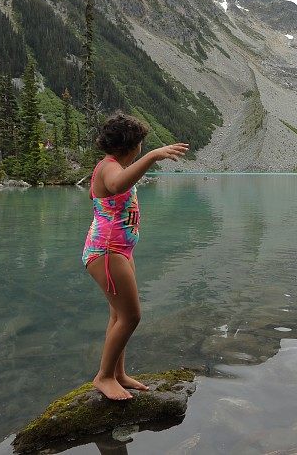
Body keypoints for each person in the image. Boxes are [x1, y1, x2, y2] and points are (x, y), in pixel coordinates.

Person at [82, 112, 188, 400]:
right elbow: (117, 185)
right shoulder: (108, 167)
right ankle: (103, 377)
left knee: (118, 314)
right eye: (141, 143)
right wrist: (153, 156)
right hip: (107, 251)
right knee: (132, 316)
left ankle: (118, 373)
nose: (142, 147)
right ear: (132, 145)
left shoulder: (114, 165)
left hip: (120, 250)